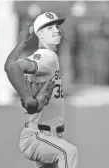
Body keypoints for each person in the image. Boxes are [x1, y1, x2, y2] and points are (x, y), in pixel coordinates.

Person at [4, 12, 78, 168]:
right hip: (37, 137)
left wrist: (22, 43)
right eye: (49, 28)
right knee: (68, 152)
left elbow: (11, 65)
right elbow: (12, 67)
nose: (56, 30)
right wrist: (28, 99)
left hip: (48, 136)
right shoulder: (47, 57)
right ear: (40, 34)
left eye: (57, 27)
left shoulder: (49, 58)